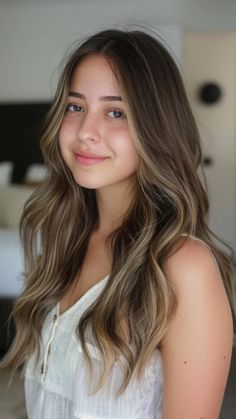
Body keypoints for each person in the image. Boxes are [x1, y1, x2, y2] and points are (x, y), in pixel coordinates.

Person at [1, 28, 235, 419]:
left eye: (115, 112)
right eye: (76, 107)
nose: (86, 133)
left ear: (155, 127)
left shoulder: (183, 267)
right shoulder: (65, 239)